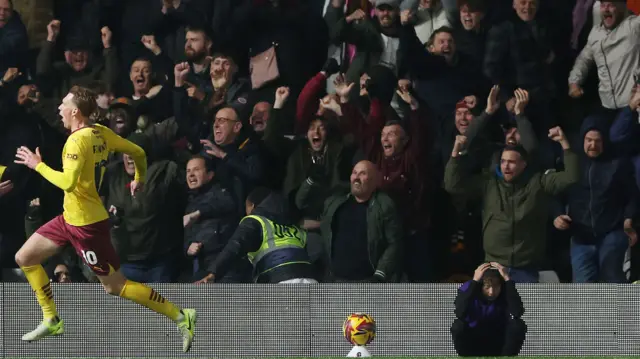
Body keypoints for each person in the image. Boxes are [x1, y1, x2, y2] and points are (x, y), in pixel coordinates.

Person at [13, 86, 196, 352]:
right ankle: (51, 318)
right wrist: (139, 179)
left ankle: (181, 316)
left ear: (75, 111)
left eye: (63, 104)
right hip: (69, 218)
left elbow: (67, 181)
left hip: (87, 227)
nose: (59, 109)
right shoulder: (101, 133)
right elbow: (139, 152)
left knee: (117, 287)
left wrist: (37, 165)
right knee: (25, 258)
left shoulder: (76, 141)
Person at [196, 187, 317, 284]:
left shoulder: (255, 220)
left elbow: (235, 246)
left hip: (280, 281)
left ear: (252, 206)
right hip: (310, 280)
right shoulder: (293, 226)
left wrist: (213, 273)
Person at [450, 262, 527, 357]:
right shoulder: (469, 287)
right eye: (487, 287)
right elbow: (459, 313)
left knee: (518, 324)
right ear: (480, 285)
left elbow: (517, 312)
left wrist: (507, 279)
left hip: (498, 339)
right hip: (474, 340)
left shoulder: (506, 288)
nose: (491, 292)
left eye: (496, 287)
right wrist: (475, 281)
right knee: (458, 325)